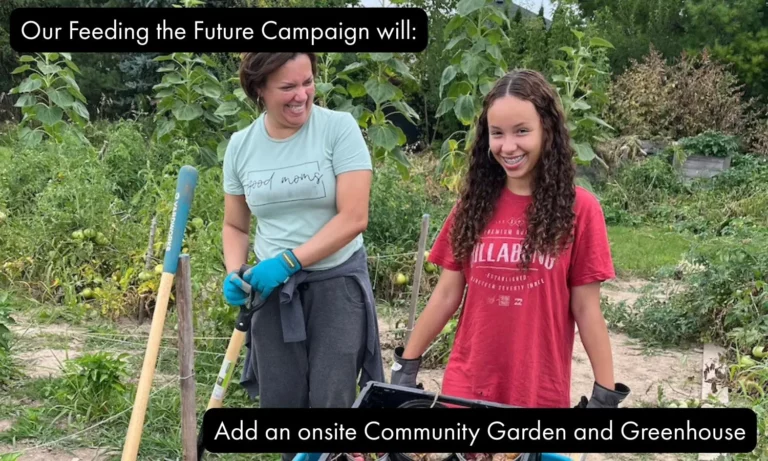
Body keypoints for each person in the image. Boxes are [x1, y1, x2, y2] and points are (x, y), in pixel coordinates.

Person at [390, 69, 630, 410]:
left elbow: (586, 308)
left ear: (547, 131)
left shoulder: (580, 210)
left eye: (522, 131)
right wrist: (406, 366)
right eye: (497, 134)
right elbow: (446, 294)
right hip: (467, 383)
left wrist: (605, 394)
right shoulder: (472, 206)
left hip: (536, 389)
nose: (508, 146)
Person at [220, 52, 384, 449]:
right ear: (259, 89)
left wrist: (291, 261)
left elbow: (354, 217)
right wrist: (235, 270)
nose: (302, 96)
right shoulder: (241, 147)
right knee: (281, 404)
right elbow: (235, 224)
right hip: (272, 290)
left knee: (332, 402)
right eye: (287, 87)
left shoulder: (337, 129)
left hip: (336, 282)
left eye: (307, 82)